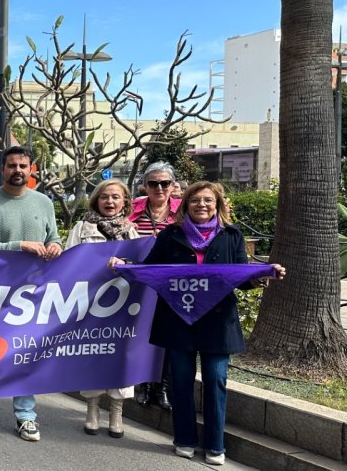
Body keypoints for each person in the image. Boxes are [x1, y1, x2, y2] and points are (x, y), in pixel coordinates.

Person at [109, 181, 285, 466]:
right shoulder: (170, 235)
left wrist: (264, 274)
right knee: (180, 381)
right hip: (178, 319)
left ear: (218, 205)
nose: (201, 205)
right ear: (186, 204)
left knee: (216, 380)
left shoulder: (232, 235)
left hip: (218, 322)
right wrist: (123, 264)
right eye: (195, 200)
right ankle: (185, 439)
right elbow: (151, 268)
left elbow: (242, 278)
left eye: (208, 200)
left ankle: (215, 445)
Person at [0, 145, 61, 443]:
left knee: (25, 354)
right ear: (3, 169)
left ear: (31, 168)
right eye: (12, 165)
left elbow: (53, 238)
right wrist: (19, 245)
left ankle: (26, 416)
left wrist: (55, 247)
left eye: (23, 165)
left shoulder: (44, 202)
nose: (18, 170)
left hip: (33, 293)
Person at [63, 179, 139, 438]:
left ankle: (117, 411)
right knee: (93, 353)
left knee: (121, 356)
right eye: (105, 197)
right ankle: (92, 408)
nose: (110, 202)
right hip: (91, 303)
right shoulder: (82, 228)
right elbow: (69, 262)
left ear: (125, 201)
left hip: (123, 304)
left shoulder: (131, 231)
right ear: (96, 200)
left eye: (116, 197)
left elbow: (140, 265)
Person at [127, 161, 183, 410]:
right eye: (153, 183)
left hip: (172, 284)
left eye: (164, 183)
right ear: (144, 186)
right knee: (142, 336)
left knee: (169, 337)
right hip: (139, 283)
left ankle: (163, 388)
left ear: (173, 186)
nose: (159, 188)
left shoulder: (184, 210)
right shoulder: (132, 209)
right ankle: (144, 385)